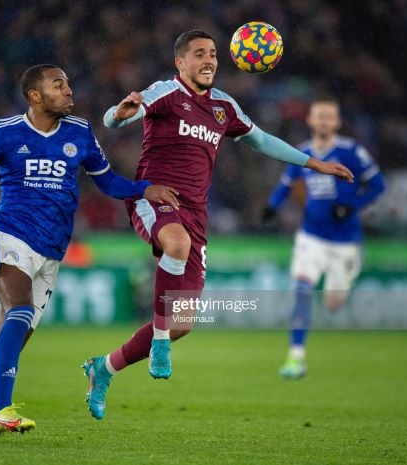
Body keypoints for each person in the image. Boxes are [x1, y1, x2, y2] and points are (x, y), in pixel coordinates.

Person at [82, 29, 354, 420]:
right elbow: (116, 117)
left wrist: (315, 163)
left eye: (212, 54)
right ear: (181, 62)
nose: (209, 60)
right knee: (176, 246)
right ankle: (159, 343)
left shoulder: (224, 107)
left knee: (183, 323)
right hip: (154, 198)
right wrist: (119, 112)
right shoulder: (165, 92)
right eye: (198, 54)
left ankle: (103, 368)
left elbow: (262, 141)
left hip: (194, 214)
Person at [0, 64, 179, 434]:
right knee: (19, 309)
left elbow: (110, 183)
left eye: (68, 83)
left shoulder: (80, 132)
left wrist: (143, 188)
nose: (69, 91)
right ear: (35, 96)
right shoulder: (4, 132)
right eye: (59, 85)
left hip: (52, 250)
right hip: (10, 236)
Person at [262, 97, 385, 379]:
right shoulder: (304, 153)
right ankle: (296, 358)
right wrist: (272, 206)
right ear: (310, 120)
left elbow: (378, 185)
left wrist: (352, 206)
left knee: (333, 303)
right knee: (302, 290)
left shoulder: (351, 151)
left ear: (337, 122)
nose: (324, 122)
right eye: (320, 116)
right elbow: (285, 184)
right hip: (311, 237)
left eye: (330, 117)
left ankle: (345, 281)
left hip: (345, 242)